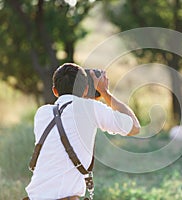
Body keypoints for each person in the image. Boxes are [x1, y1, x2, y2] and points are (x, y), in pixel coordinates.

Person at [25, 63, 140, 200]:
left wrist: (87, 97)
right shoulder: (90, 109)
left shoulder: (42, 113)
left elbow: (73, 116)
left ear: (55, 91)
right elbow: (134, 127)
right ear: (85, 89)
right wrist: (104, 92)